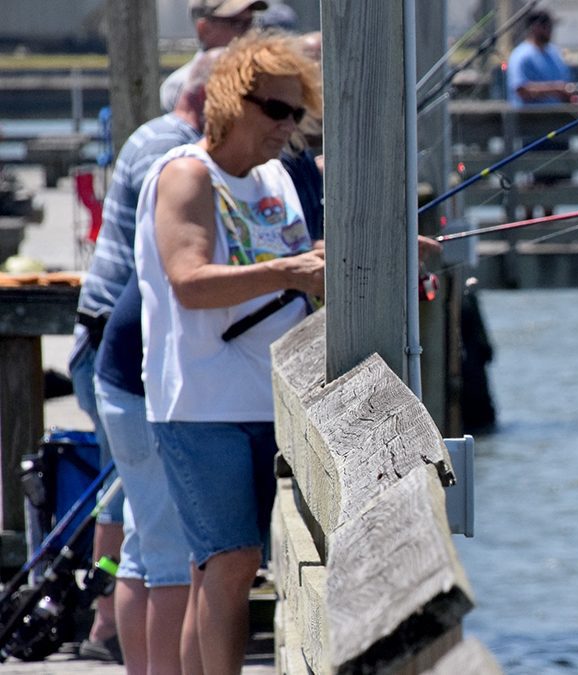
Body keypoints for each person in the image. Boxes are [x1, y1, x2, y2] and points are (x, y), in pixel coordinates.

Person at [134, 32, 324, 674]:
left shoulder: (276, 177)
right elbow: (188, 283)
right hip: (201, 404)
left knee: (215, 564)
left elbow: (307, 262)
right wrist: (291, 271)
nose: (288, 127)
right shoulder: (187, 176)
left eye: (296, 113)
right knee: (235, 561)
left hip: (273, 396)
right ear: (231, 100)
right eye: (276, 110)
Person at [91, 48, 223, 674]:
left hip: (127, 360)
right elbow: (190, 279)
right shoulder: (180, 161)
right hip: (135, 368)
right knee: (170, 552)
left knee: (146, 541)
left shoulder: (188, 152)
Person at [506, 10, 578, 219]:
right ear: (535, 27)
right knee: (533, 181)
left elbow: (566, 86)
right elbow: (520, 89)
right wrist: (556, 89)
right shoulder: (521, 55)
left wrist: (569, 95)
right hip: (532, 132)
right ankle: (528, 224)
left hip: (558, 130)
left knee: (553, 182)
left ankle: (549, 224)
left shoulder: (555, 54)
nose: (551, 30)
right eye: (547, 26)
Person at [160, 0, 266, 113]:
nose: (250, 33)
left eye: (251, 23)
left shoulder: (263, 78)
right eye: (238, 24)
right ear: (204, 29)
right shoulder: (182, 85)